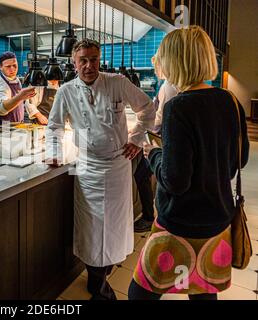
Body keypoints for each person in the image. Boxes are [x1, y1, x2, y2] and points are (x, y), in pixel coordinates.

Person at [128, 26, 249, 300]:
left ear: (175, 61)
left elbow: (175, 181)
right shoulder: (231, 101)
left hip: (180, 221)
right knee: (203, 291)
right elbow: (238, 161)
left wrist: (153, 154)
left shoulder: (178, 107)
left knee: (140, 292)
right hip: (218, 217)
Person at [45, 39, 155, 300]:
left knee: (114, 229)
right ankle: (98, 284)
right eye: (82, 60)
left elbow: (147, 109)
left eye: (93, 59)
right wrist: (54, 153)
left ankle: (101, 279)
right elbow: (54, 127)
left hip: (117, 166)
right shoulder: (66, 91)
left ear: (99, 59)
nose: (89, 65)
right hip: (87, 169)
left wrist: (136, 139)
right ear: (74, 63)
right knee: (91, 231)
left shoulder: (117, 82)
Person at [133, 56, 179, 233]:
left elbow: (159, 117)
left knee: (141, 174)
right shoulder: (170, 84)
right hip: (163, 140)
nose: (155, 71)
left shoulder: (168, 86)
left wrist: (140, 129)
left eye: (156, 66)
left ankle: (147, 217)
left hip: (160, 142)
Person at [0, 51, 47, 126]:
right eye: (8, 66)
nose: (12, 69)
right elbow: (2, 109)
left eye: (14, 65)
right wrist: (20, 97)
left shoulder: (16, 80)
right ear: (0, 67)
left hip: (17, 126)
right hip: (3, 129)